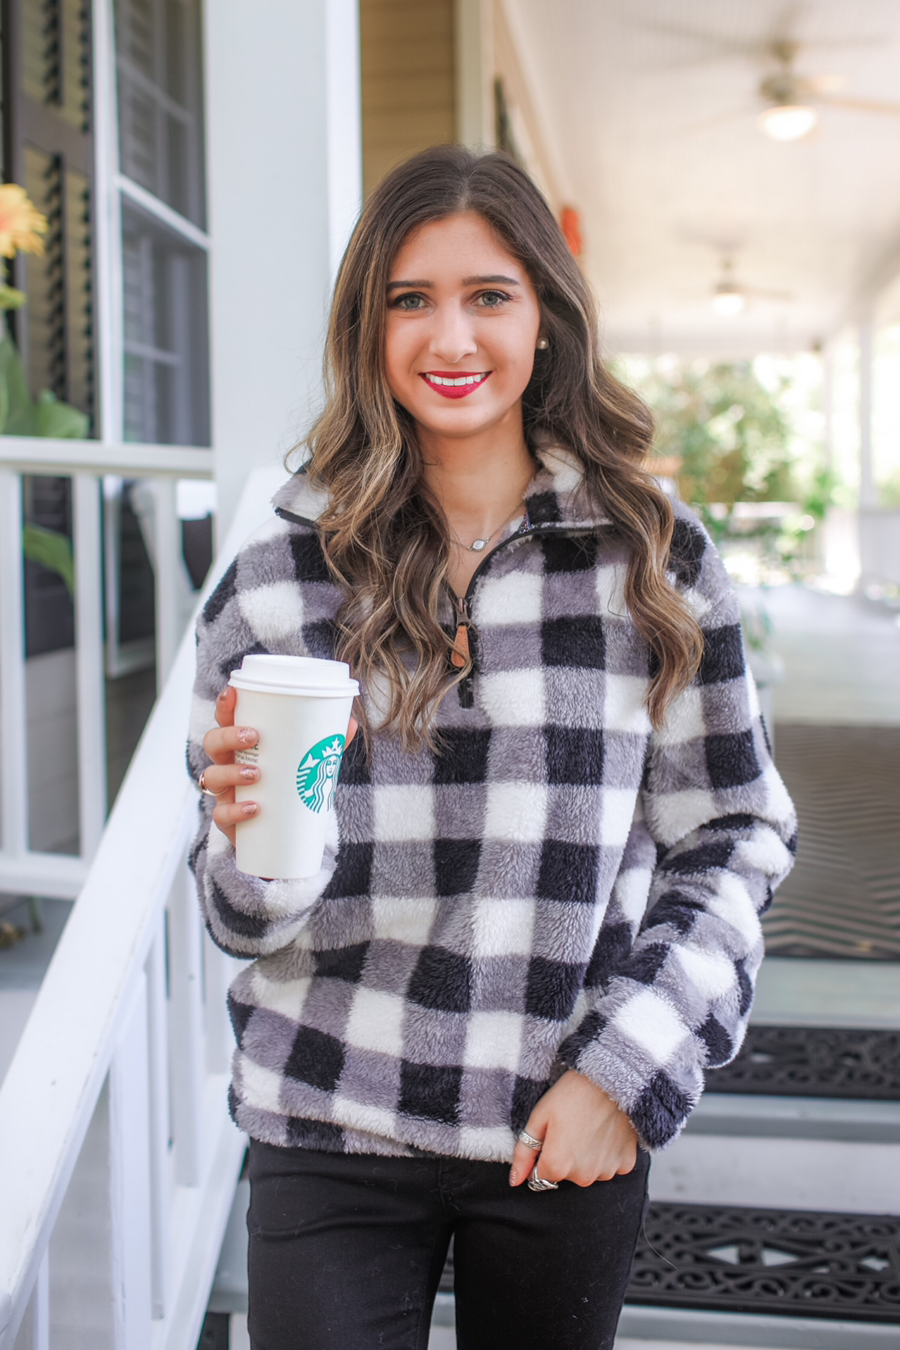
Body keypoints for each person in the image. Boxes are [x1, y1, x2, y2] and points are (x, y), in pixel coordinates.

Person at [187, 145, 796, 1350]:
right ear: (368, 325)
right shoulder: (277, 577)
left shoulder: (653, 563)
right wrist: (252, 844)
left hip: (556, 1127)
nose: (449, 338)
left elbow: (734, 834)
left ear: (548, 321)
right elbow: (241, 920)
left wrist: (627, 1073)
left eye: (489, 297)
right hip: (327, 1116)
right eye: (410, 299)